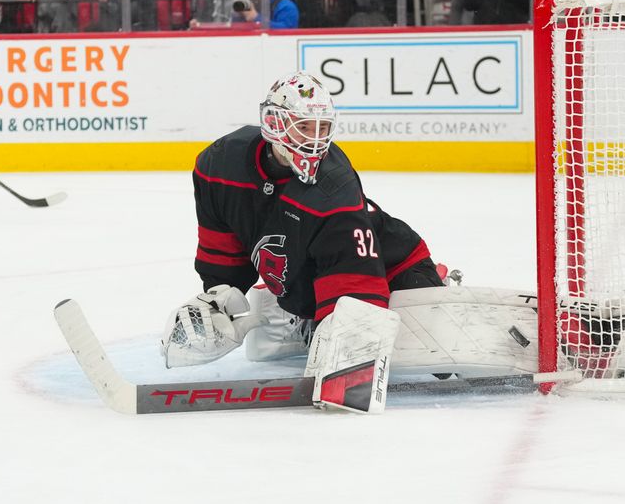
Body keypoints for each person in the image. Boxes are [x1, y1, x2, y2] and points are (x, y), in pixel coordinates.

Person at [161, 71, 447, 413]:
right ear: (275, 124)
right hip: (308, 274)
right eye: (304, 127)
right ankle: (294, 316)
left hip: (392, 266)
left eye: (322, 128)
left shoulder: (334, 187)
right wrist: (219, 300)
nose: (315, 140)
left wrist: (344, 359)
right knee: (321, 320)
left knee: (433, 352)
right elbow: (222, 252)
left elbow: (356, 283)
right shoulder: (218, 165)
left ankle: (437, 282)